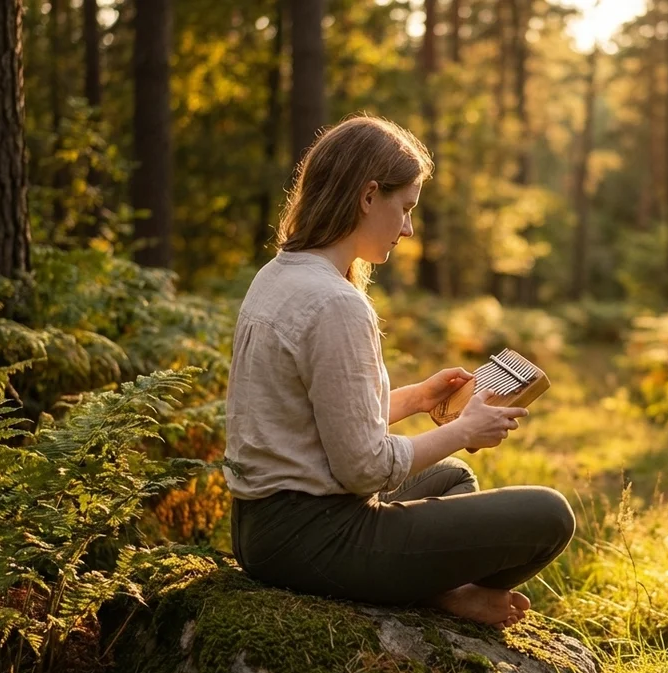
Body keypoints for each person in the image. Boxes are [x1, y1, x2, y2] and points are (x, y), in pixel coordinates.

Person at [225, 115, 575, 629]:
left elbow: (320, 422)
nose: (408, 229)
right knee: (550, 515)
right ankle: (443, 594)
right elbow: (364, 469)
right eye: (405, 208)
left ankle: (440, 591)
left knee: (454, 478)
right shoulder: (335, 303)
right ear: (369, 196)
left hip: (260, 529)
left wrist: (416, 399)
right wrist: (463, 430)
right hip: (314, 540)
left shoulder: (279, 274)